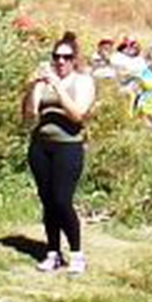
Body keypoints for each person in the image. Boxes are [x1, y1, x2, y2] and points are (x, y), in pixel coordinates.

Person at [22, 35, 96, 274]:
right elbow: (29, 116)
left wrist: (58, 87)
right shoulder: (44, 83)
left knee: (62, 200)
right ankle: (52, 252)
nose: (61, 62)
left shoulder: (83, 82)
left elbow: (77, 115)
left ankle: (76, 253)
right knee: (47, 201)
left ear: (74, 60)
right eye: (56, 57)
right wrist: (32, 86)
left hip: (68, 146)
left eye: (66, 57)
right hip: (41, 147)